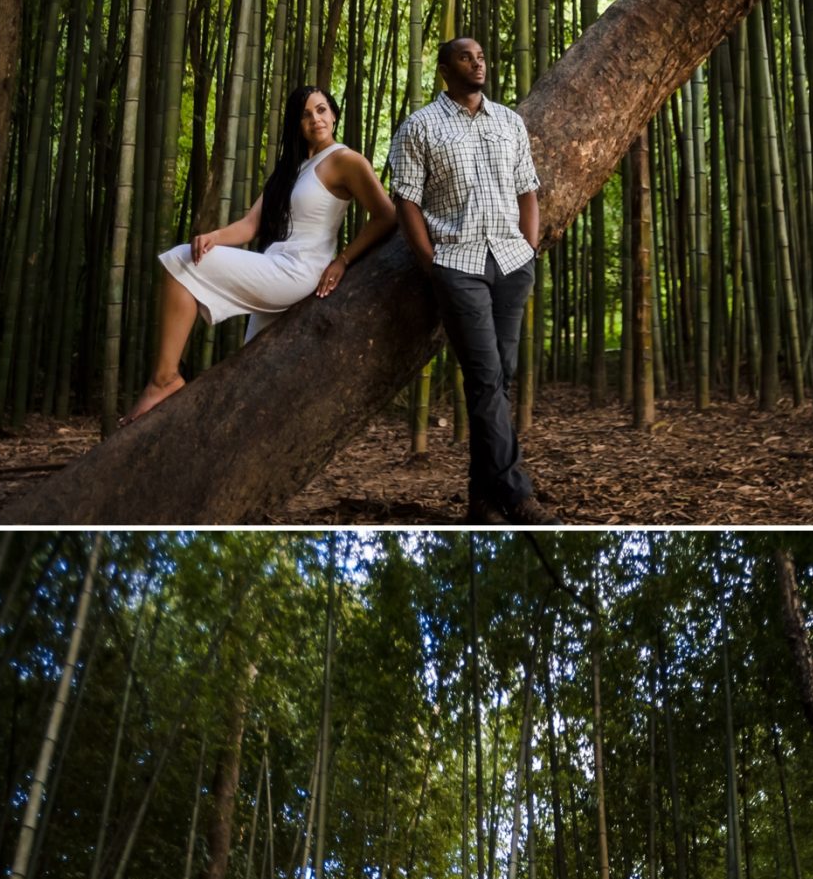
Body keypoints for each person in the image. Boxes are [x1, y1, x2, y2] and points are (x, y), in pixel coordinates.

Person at [127, 84, 397, 421]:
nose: (316, 118)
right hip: (275, 264)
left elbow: (386, 215)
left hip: (300, 270)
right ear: (296, 125)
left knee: (181, 261)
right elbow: (250, 225)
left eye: (322, 109)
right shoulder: (292, 169)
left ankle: (165, 378)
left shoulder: (345, 160)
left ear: (334, 113)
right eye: (306, 114)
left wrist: (343, 260)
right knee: (254, 372)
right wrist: (213, 236)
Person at [390, 37, 557, 524]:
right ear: (445, 69)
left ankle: (481, 503)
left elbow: (528, 188)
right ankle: (516, 495)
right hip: (457, 264)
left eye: (482, 56)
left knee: (498, 379)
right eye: (466, 57)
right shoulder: (419, 127)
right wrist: (430, 261)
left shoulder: (509, 121)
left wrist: (527, 247)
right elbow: (406, 201)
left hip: (510, 261)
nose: (478, 63)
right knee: (486, 377)